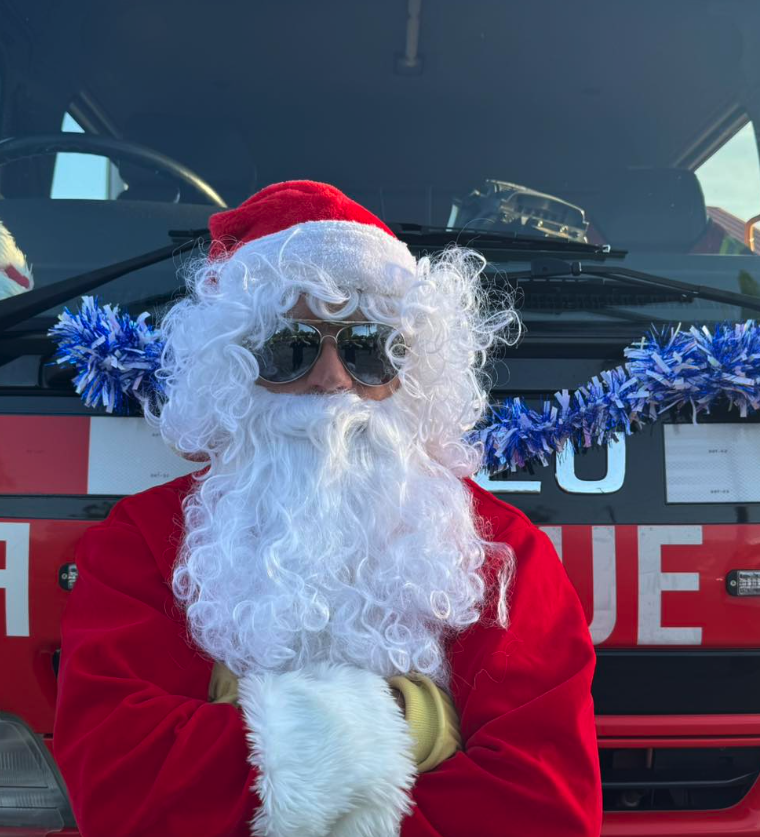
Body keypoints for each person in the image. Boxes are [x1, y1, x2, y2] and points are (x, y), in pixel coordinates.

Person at [53, 181, 601, 837]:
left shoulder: (499, 549)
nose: (334, 378)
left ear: (412, 369)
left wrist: (249, 741)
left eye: (369, 347)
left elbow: (544, 804)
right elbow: (122, 780)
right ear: (233, 370)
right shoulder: (143, 540)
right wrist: (412, 723)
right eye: (291, 347)